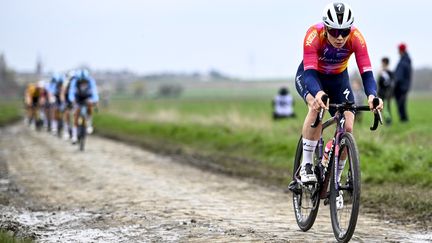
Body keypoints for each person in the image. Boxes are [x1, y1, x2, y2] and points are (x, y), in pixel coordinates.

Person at [294, 2, 383, 183]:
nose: (340, 37)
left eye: (345, 31)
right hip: (311, 76)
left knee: (348, 125)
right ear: (326, 28)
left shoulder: (356, 38)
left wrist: (372, 96)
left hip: (338, 79)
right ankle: (307, 164)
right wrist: (318, 93)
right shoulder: (313, 36)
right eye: (335, 31)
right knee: (316, 107)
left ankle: (334, 179)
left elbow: (366, 73)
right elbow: (310, 74)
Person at [68, 69, 99, 144]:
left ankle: (89, 124)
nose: (83, 83)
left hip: (87, 97)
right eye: (81, 81)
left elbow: (95, 93)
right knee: (76, 113)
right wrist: (72, 100)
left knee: (90, 105)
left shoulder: (91, 81)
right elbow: (71, 93)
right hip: (78, 98)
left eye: (84, 81)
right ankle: (74, 136)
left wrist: (94, 100)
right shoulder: (74, 81)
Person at [394, 43, 412, 122]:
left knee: (401, 104)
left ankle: (404, 119)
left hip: (401, 87)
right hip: (404, 86)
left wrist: (394, 83)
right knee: (401, 103)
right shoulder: (406, 60)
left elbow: (399, 75)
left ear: (401, 50)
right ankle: (403, 119)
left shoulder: (403, 61)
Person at [377, 57, 394, 124]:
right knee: (382, 107)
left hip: (387, 93)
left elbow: (390, 83)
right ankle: (385, 120)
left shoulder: (389, 72)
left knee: (386, 107)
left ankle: (388, 121)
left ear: (385, 63)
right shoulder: (382, 72)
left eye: (382, 62)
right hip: (381, 92)